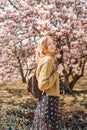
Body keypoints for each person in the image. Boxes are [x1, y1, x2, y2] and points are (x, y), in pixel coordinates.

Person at [31, 35, 61, 130]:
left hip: (46, 100)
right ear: (44, 47)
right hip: (49, 102)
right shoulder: (48, 60)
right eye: (49, 44)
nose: (53, 46)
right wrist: (58, 72)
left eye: (53, 43)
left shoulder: (45, 60)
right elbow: (43, 84)